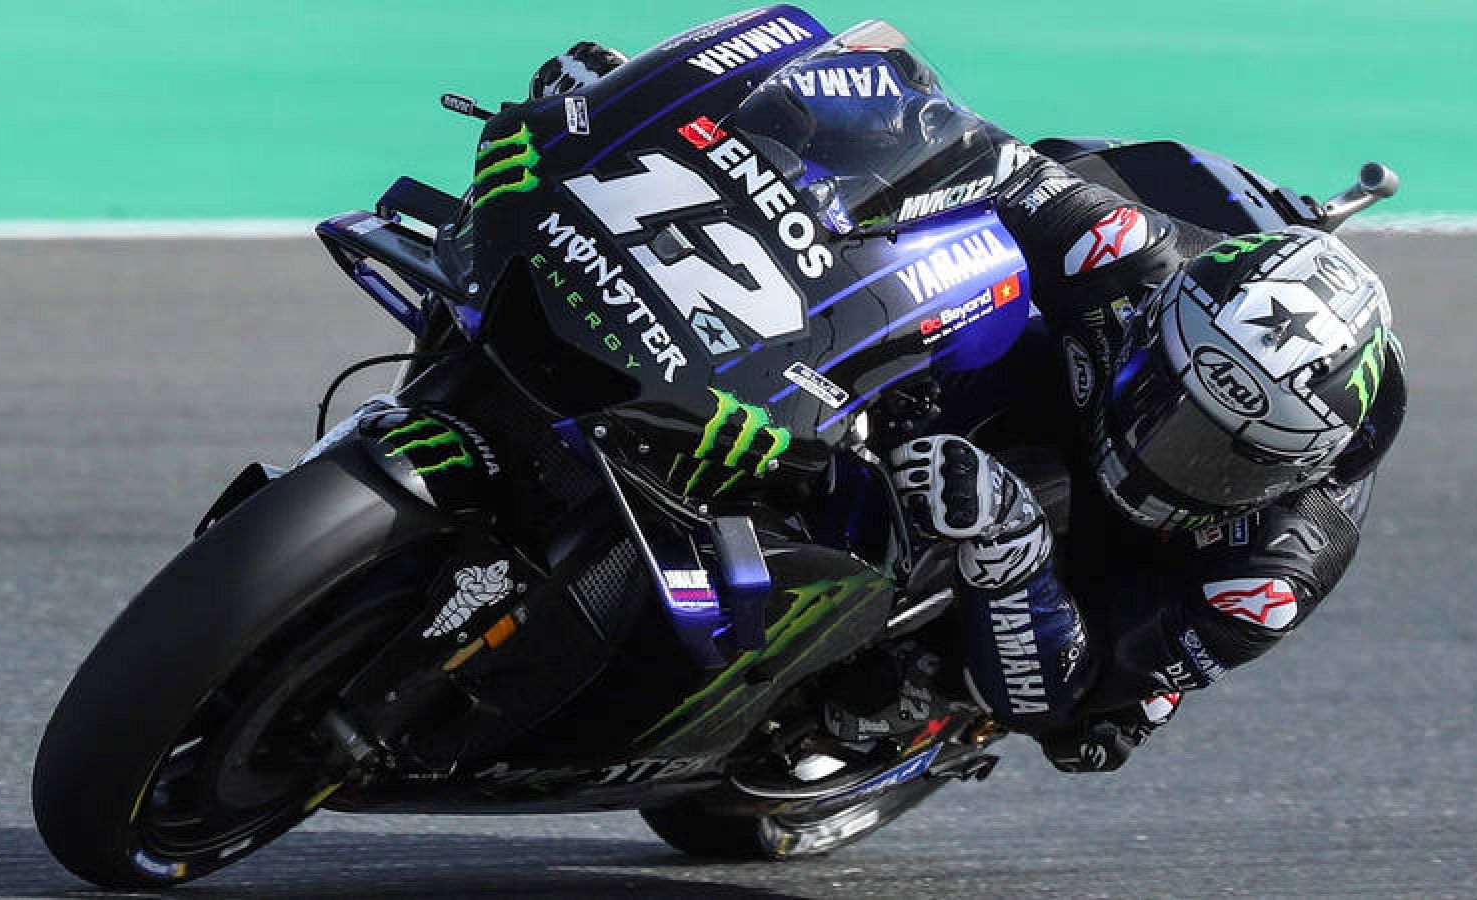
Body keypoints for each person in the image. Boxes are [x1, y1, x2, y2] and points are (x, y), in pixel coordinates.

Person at [529, 39, 1407, 773]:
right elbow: (945, 140)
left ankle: (887, 691)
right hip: (1069, 348)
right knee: (934, 254)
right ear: (1153, 328)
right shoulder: (1128, 263)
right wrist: (651, 111)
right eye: (1162, 404)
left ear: (1296, 465)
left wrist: (1013, 547)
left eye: (1218, 458)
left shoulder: (1272, 569)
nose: (1159, 451)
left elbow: (1067, 686)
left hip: (1096, 576)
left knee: (1090, 731)